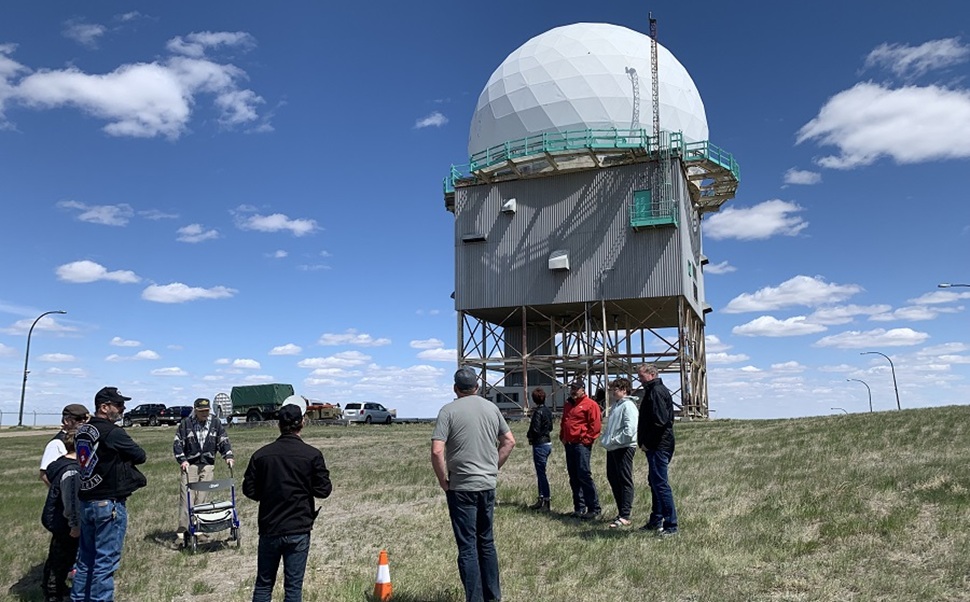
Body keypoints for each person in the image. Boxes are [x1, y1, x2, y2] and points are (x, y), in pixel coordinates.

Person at [431, 367, 516, 602]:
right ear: (477, 387)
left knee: (468, 546)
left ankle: (475, 598)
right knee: (486, 542)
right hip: (486, 485)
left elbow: (437, 450)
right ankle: (493, 596)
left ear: (455, 388)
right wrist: (492, 468)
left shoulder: (448, 411)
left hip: (461, 486)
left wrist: (443, 481)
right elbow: (509, 441)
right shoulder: (492, 408)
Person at [243, 404, 332, 602]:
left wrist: (267, 495)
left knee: (264, 584)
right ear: (302, 423)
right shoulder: (312, 455)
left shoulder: (261, 455)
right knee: (293, 587)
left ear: (279, 425)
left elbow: (248, 489)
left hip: (270, 526)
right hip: (298, 528)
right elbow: (324, 490)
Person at [72, 386, 147, 602]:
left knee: (85, 561)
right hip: (107, 503)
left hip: (87, 501)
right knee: (105, 563)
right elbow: (140, 455)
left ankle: (78, 598)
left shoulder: (82, 431)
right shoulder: (112, 432)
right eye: (119, 405)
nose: (123, 409)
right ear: (104, 407)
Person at [173, 397, 235, 546]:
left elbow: (223, 440)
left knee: (201, 498)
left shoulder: (215, 423)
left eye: (207, 411)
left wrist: (228, 456)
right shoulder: (186, 424)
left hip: (207, 464)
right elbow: (177, 443)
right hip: (190, 465)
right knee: (186, 498)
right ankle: (182, 533)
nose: (205, 414)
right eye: (201, 411)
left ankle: (199, 530)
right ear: (195, 410)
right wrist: (183, 460)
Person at [637, 363, 678, 536]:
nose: (639, 380)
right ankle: (656, 519)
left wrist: (648, 442)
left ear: (652, 374)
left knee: (660, 484)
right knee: (655, 482)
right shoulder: (653, 391)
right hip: (658, 445)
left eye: (641, 376)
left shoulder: (656, 392)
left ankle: (671, 525)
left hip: (659, 445)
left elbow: (660, 422)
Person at [41, 432, 81, 602]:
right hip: (65, 522)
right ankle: (54, 594)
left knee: (57, 556)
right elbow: (71, 500)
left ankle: (53, 588)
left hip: (56, 518)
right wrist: (74, 525)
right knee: (62, 559)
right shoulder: (72, 470)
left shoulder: (58, 464)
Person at [559, 378, 602, 519]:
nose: (573, 391)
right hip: (569, 444)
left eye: (576, 389)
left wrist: (586, 440)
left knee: (584, 475)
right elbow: (564, 421)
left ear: (583, 390)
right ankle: (579, 507)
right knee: (573, 477)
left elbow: (595, 426)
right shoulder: (568, 404)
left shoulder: (590, 405)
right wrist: (563, 437)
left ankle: (593, 508)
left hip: (581, 445)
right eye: (572, 388)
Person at [600, 378, 639, 528]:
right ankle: (621, 511)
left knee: (624, 479)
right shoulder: (616, 405)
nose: (612, 391)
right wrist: (607, 439)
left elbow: (630, 430)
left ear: (624, 390)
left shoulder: (628, 406)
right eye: (611, 389)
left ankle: (625, 514)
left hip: (624, 446)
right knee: (613, 477)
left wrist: (614, 440)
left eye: (615, 389)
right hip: (613, 447)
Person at [40, 404, 89, 486]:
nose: (83, 422)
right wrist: (59, 492)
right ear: (66, 421)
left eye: (85, 418)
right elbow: (44, 474)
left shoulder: (82, 440)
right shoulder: (56, 443)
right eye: (78, 419)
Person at [526, 387, 553, 512]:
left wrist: (530, 435)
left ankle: (546, 500)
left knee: (541, 473)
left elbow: (535, 429)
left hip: (539, 444)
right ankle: (541, 498)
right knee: (541, 472)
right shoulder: (547, 411)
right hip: (547, 442)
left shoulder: (537, 412)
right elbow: (551, 427)